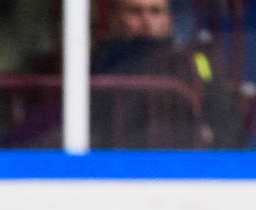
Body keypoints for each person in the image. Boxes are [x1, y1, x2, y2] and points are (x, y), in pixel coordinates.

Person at [92, 0, 244, 148]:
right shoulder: (97, 64)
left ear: (168, 18)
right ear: (116, 17)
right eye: (135, 11)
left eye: (155, 11)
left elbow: (225, 122)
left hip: (178, 167)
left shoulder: (197, 63)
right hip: (114, 166)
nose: (146, 20)